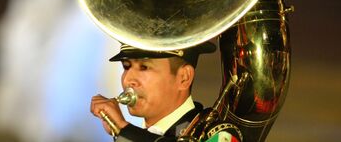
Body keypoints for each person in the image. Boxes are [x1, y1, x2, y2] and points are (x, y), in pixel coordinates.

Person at [90, 42, 243, 142]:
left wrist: (124, 130)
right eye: (126, 67)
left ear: (184, 78)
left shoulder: (221, 135)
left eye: (144, 67)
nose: (128, 80)